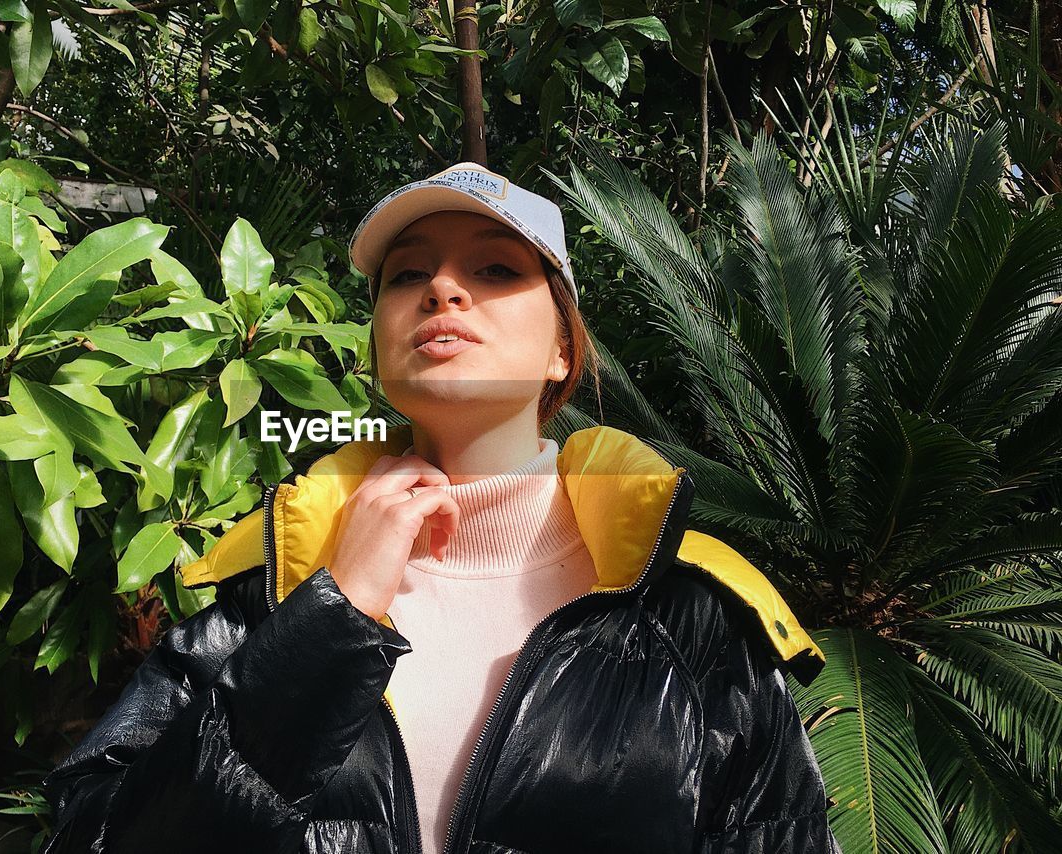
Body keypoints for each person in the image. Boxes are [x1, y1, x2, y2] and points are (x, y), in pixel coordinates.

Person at [41, 162, 840, 853]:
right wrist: (330, 619)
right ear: (380, 337)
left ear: (563, 345)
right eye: (407, 275)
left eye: (495, 271)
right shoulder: (277, 586)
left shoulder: (685, 605)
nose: (443, 290)